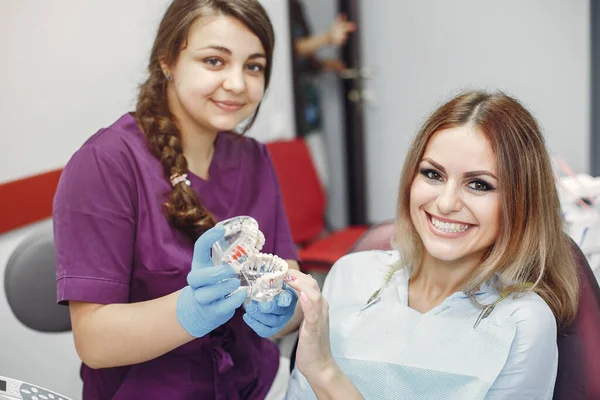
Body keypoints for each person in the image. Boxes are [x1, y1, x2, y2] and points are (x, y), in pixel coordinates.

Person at [52, 1, 302, 398]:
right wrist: (189, 311)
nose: (237, 83)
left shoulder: (254, 157)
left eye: (253, 66)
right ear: (167, 61)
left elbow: (289, 276)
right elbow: (94, 342)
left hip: (255, 383)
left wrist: (287, 307)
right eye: (215, 61)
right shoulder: (106, 164)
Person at [283, 91, 580, 399]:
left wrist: (325, 373)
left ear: (522, 203)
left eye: (479, 184)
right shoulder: (351, 274)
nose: (446, 202)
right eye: (433, 174)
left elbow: (317, 376)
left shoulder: (522, 322)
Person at [289, 0, 356, 137]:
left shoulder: (296, 7)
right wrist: (327, 38)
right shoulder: (279, 9)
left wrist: (323, 65)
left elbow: (302, 54)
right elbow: (290, 49)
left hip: (309, 103)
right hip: (295, 106)